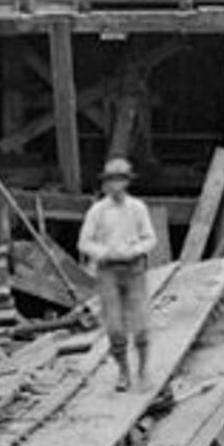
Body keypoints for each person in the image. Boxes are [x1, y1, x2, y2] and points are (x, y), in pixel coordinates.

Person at [78, 157, 157, 389]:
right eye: (112, 181)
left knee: (141, 324)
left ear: (127, 182)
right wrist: (104, 252)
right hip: (108, 271)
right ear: (106, 183)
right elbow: (84, 242)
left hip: (134, 268)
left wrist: (134, 250)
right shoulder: (97, 211)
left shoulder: (137, 208)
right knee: (114, 326)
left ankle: (143, 369)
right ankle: (123, 372)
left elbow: (151, 238)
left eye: (120, 180)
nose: (115, 185)